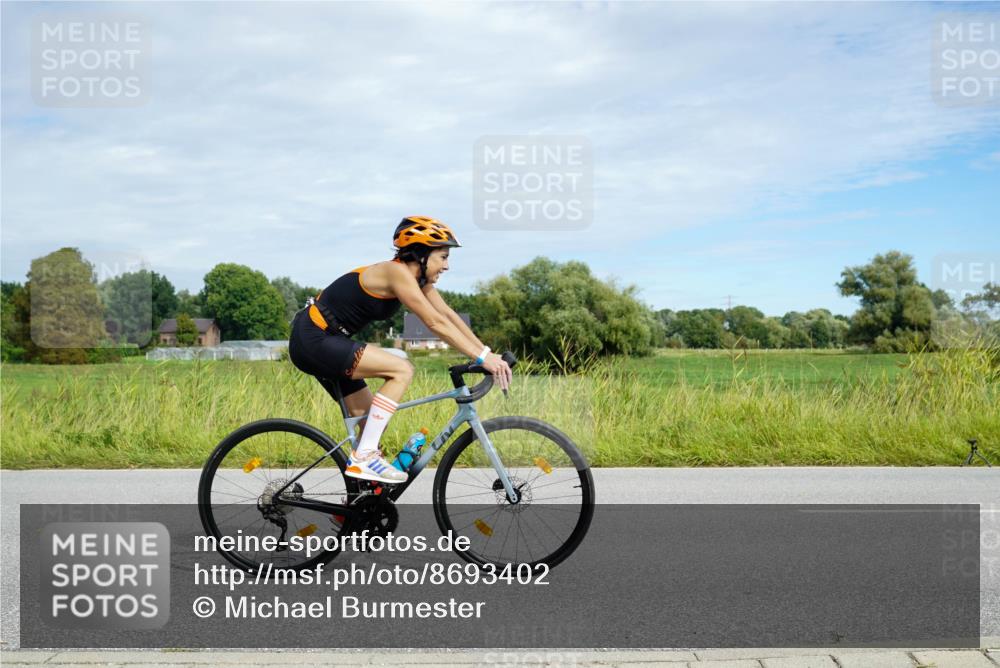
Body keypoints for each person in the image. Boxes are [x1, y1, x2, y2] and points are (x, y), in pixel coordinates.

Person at [287, 216, 513, 484]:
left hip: (329, 340)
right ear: (421, 254)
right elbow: (434, 322)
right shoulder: (396, 273)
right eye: (443, 256)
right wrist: (482, 358)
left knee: (371, 423)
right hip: (313, 338)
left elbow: (448, 316)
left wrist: (486, 353)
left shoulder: (418, 281)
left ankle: (359, 504)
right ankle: (364, 458)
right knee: (401, 369)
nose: (447, 265)